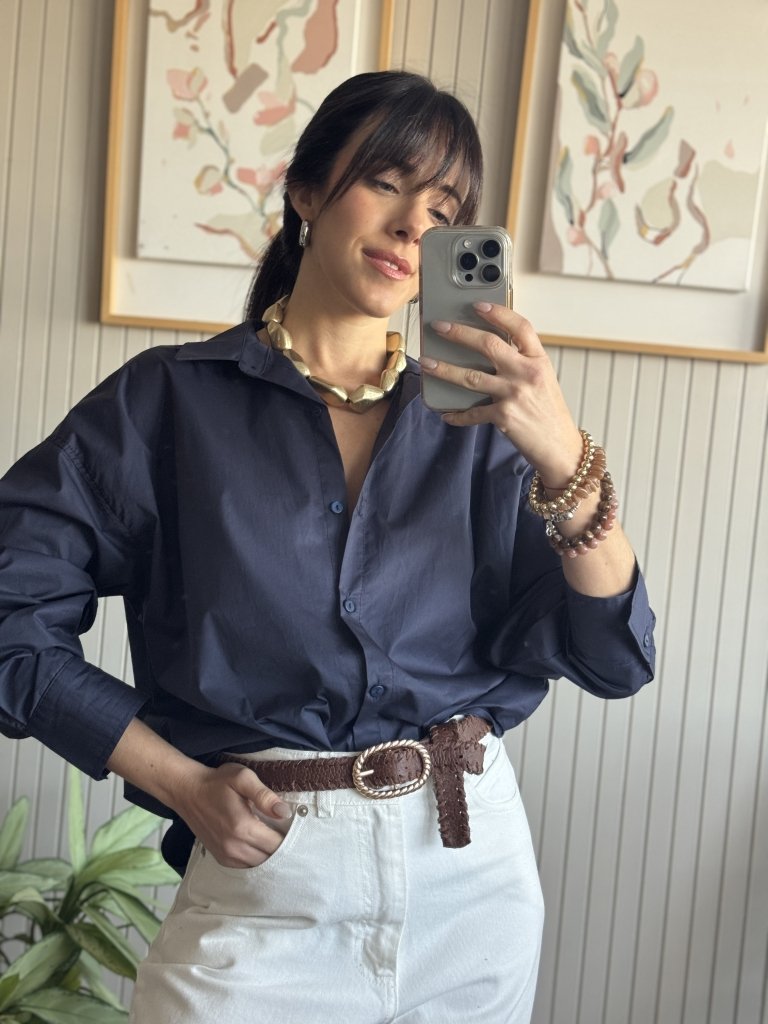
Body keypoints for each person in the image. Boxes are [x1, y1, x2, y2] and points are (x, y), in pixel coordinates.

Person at [0, 70, 655, 1023]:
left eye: (444, 210)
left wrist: (562, 452)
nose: (413, 225)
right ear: (306, 191)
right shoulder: (165, 405)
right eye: (386, 182)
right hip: (264, 879)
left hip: (470, 883)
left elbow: (613, 654)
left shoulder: (486, 431)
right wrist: (179, 783)